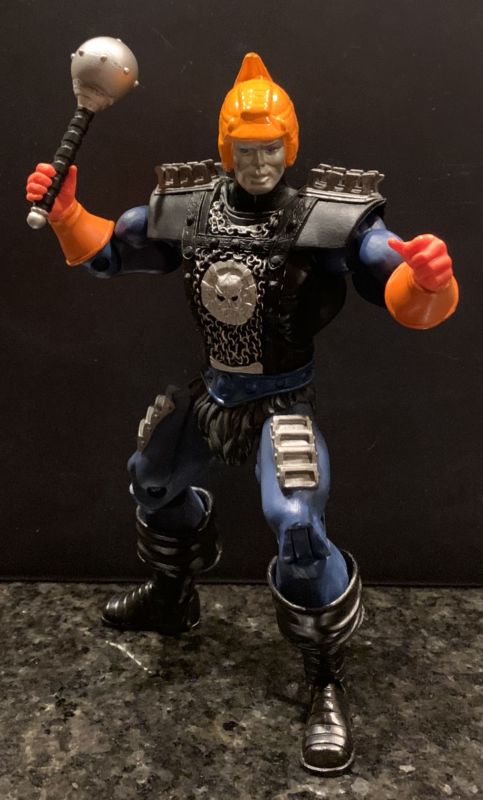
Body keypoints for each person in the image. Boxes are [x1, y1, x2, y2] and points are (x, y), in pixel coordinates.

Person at [26, 52, 458, 776]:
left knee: (298, 527)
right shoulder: (190, 207)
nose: (259, 164)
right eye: (246, 150)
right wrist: (69, 213)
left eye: (271, 149)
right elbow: (113, 251)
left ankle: (324, 676)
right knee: (151, 478)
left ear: (290, 146)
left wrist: (428, 280)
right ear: (226, 149)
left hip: (282, 399)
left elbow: (392, 275)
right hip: (214, 392)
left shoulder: (326, 216)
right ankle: (172, 599)